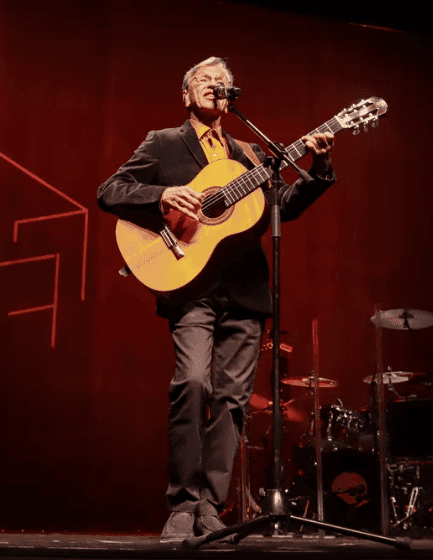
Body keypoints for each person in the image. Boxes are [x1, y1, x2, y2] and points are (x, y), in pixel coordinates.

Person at [96, 57, 336, 542]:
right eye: (203, 81)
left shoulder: (250, 152)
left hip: (246, 291)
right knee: (191, 384)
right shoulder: (164, 141)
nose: (214, 86)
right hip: (190, 286)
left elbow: (282, 208)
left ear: (232, 96)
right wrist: (165, 196)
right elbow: (110, 190)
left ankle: (210, 507)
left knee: (232, 403)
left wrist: (320, 163)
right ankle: (181, 504)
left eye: (222, 82)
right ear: (187, 95)